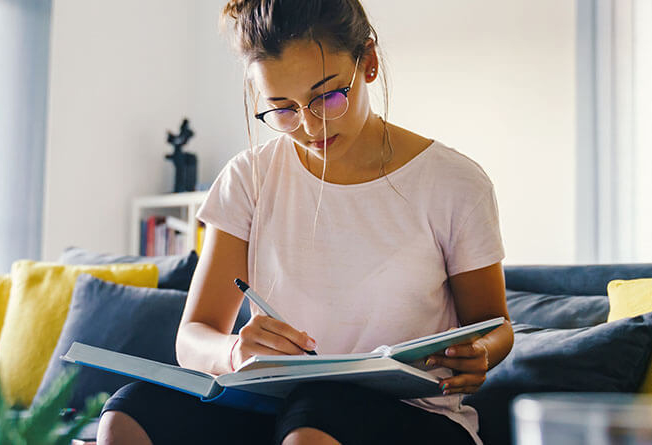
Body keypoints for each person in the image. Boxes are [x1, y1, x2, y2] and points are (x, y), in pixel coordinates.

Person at [96, 1, 514, 444]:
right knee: (131, 408)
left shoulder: (454, 182)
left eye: (327, 96)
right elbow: (193, 338)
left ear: (367, 63)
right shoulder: (248, 179)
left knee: (317, 415)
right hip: (279, 409)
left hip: (415, 418)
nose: (310, 126)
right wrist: (236, 351)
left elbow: (494, 325)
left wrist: (480, 353)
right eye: (282, 109)